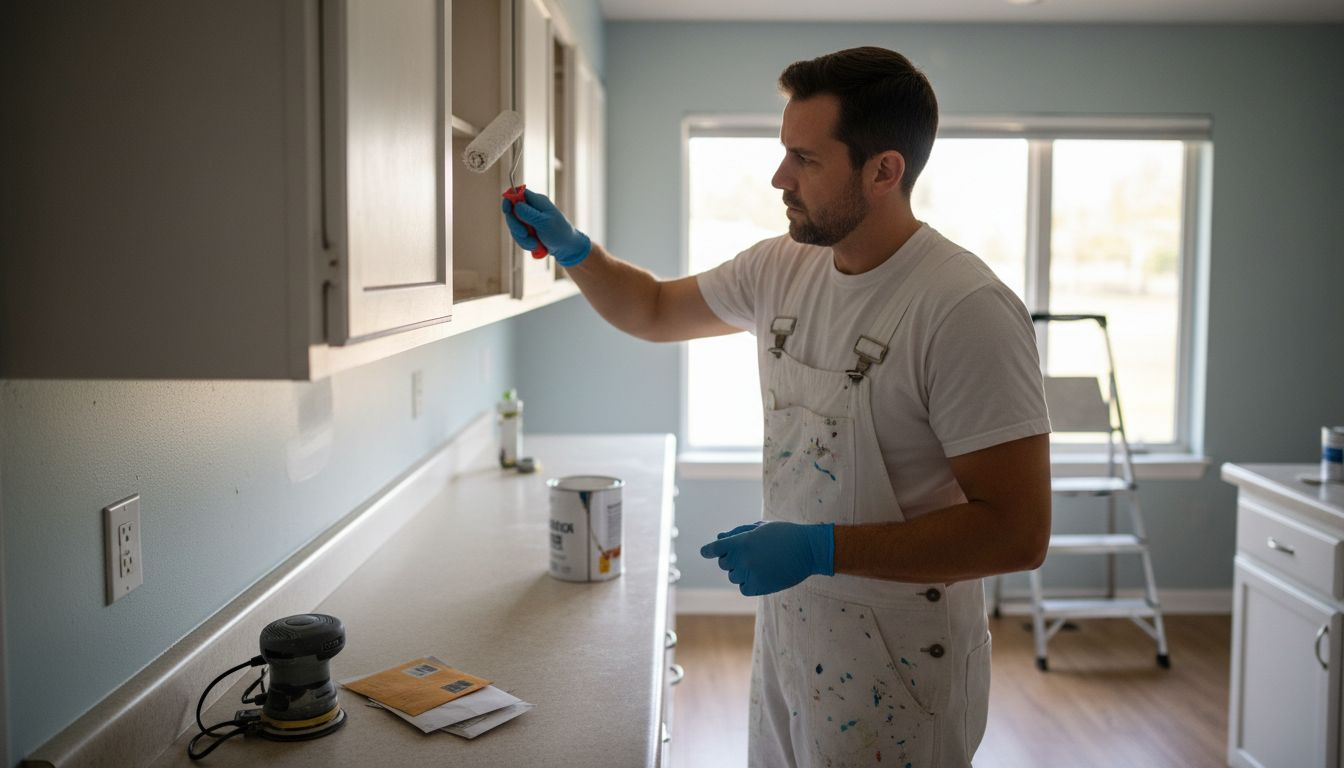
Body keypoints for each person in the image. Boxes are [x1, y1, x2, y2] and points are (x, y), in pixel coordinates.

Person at [502, 46, 1051, 768]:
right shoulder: (781, 267)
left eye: (805, 159)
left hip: (904, 667)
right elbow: (656, 310)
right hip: (796, 635)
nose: (778, 177)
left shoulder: (962, 309)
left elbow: (1016, 534)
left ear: (884, 171)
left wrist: (823, 549)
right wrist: (576, 252)